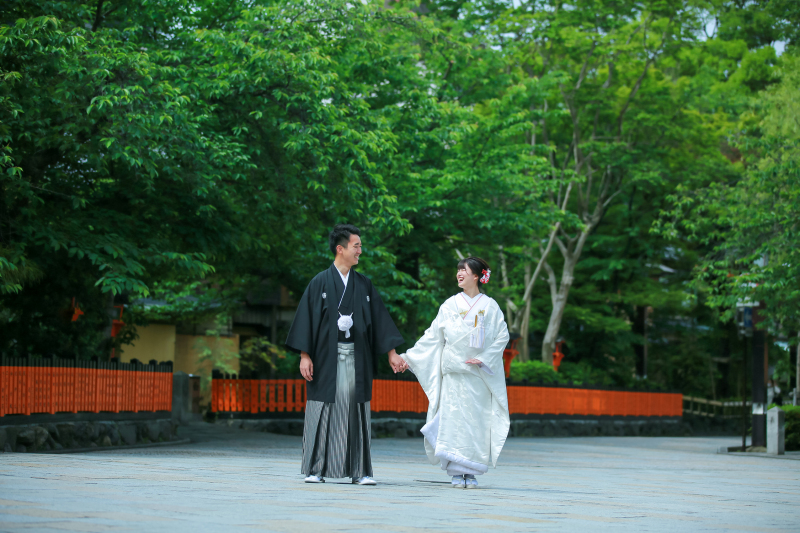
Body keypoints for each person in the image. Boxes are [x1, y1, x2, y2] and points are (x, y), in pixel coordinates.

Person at [285, 224, 406, 486]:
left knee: (357, 410)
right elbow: (307, 320)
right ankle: (315, 468)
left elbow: (379, 321)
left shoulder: (363, 285)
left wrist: (392, 353)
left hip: (356, 357)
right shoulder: (319, 282)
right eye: (356, 246)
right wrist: (305, 356)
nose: (360, 251)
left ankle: (360, 471)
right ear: (341, 249)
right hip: (326, 357)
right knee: (322, 409)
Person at [398, 257, 510, 488]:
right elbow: (433, 336)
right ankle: (457, 472)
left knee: (476, 423)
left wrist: (483, 357)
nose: (459, 274)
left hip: (477, 375)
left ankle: (472, 470)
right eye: (458, 270)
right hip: (453, 375)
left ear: (477, 276)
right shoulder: (449, 305)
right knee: (453, 422)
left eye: (464, 270)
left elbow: (502, 336)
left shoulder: (490, 306)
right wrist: (408, 357)